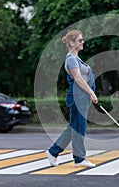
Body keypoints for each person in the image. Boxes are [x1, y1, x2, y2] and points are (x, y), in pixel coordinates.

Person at [45, 30, 98, 168]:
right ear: (72, 43)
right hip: (77, 98)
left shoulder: (76, 59)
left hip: (81, 98)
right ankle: (79, 159)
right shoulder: (71, 59)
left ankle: (53, 152)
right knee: (79, 127)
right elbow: (78, 79)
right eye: (80, 40)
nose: (82, 42)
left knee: (74, 127)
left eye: (82, 40)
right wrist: (91, 92)